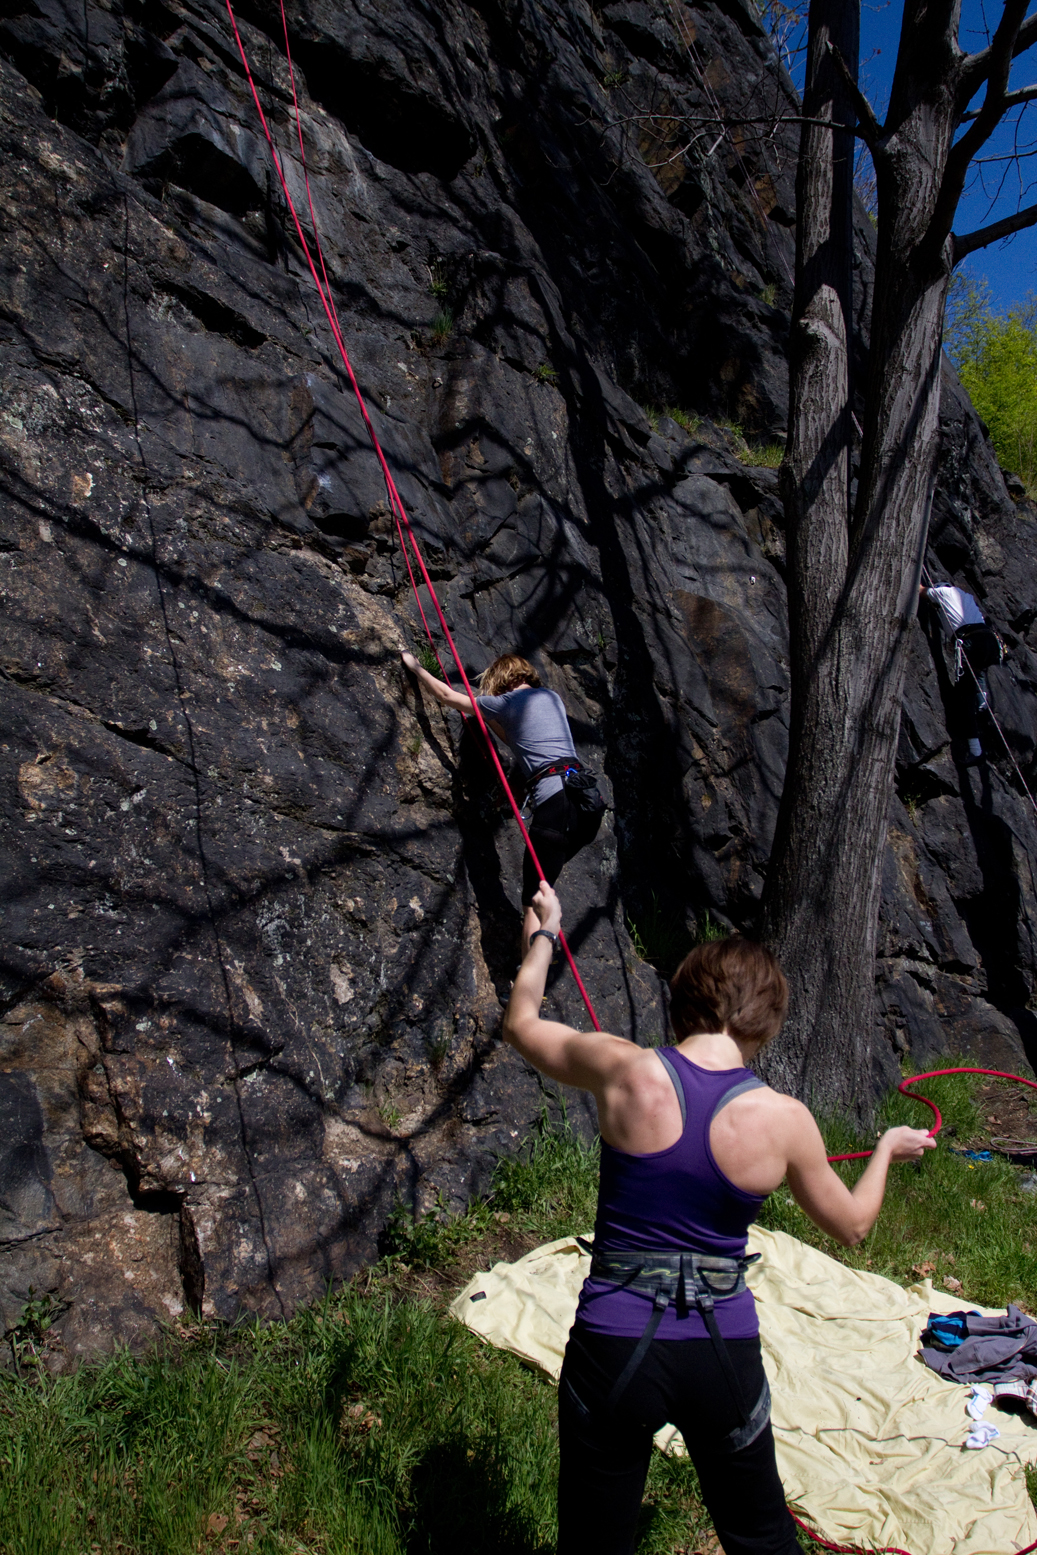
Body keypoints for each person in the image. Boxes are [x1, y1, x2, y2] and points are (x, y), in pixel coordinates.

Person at [503, 881, 935, 1555]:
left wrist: (544, 935)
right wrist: (884, 1149)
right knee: (762, 1537)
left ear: (682, 1002)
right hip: (719, 1347)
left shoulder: (623, 1069)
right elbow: (852, 1225)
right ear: (767, 1021)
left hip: (612, 1341)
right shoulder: (785, 1120)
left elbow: (522, 1024)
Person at [400, 650, 603, 951]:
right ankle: (543, 952)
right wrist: (489, 715)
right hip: (587, 804)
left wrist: (416, 667)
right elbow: (517, 736)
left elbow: (446, 695)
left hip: (555, 803)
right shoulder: (552, 698)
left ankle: (531, 968)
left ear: (501, 680)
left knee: (533, 902)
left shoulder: (507, 702)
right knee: (543, 888)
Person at [919, 582, 1004, 761]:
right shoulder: (966, 596)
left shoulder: (943, 593)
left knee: (965, 696)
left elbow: (920, 591)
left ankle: (975, 751)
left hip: (972, 641)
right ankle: (982, 703)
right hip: (989, 640)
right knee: (978, 673)